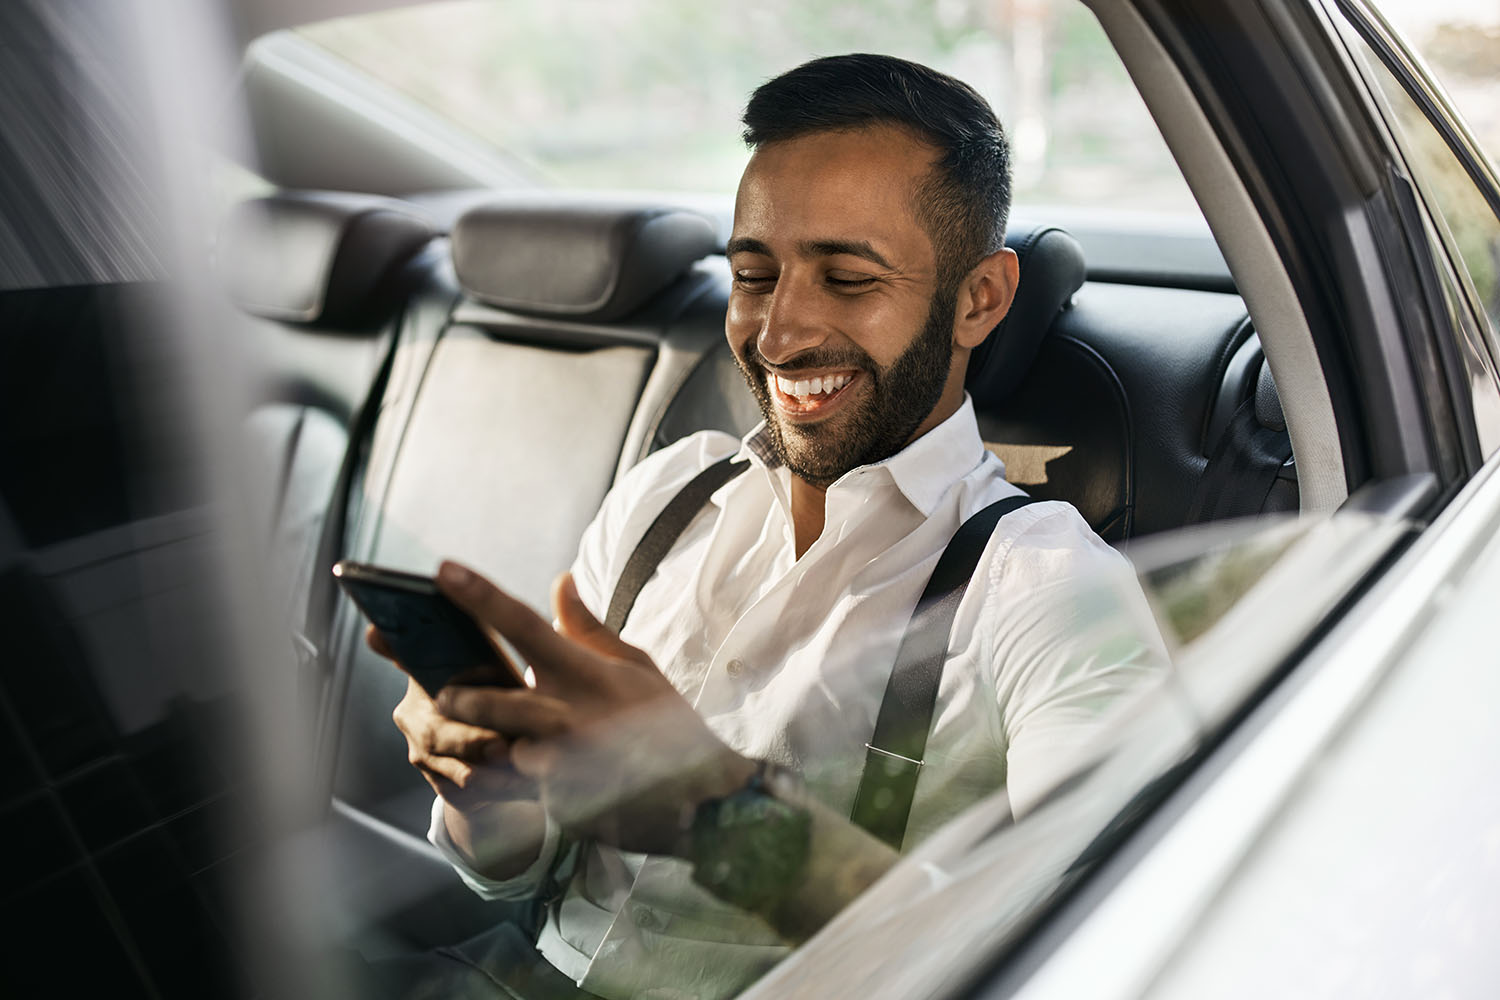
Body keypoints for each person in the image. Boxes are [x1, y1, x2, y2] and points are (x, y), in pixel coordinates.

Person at [373, 53, 1165, 1000]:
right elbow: (519, 873)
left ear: (979, 299)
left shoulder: (1047, 589)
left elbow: (1101, 958)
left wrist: (720, 810)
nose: (777, 333)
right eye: (754, 274)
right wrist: (491, 802)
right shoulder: (666, 496)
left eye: (846, 278)